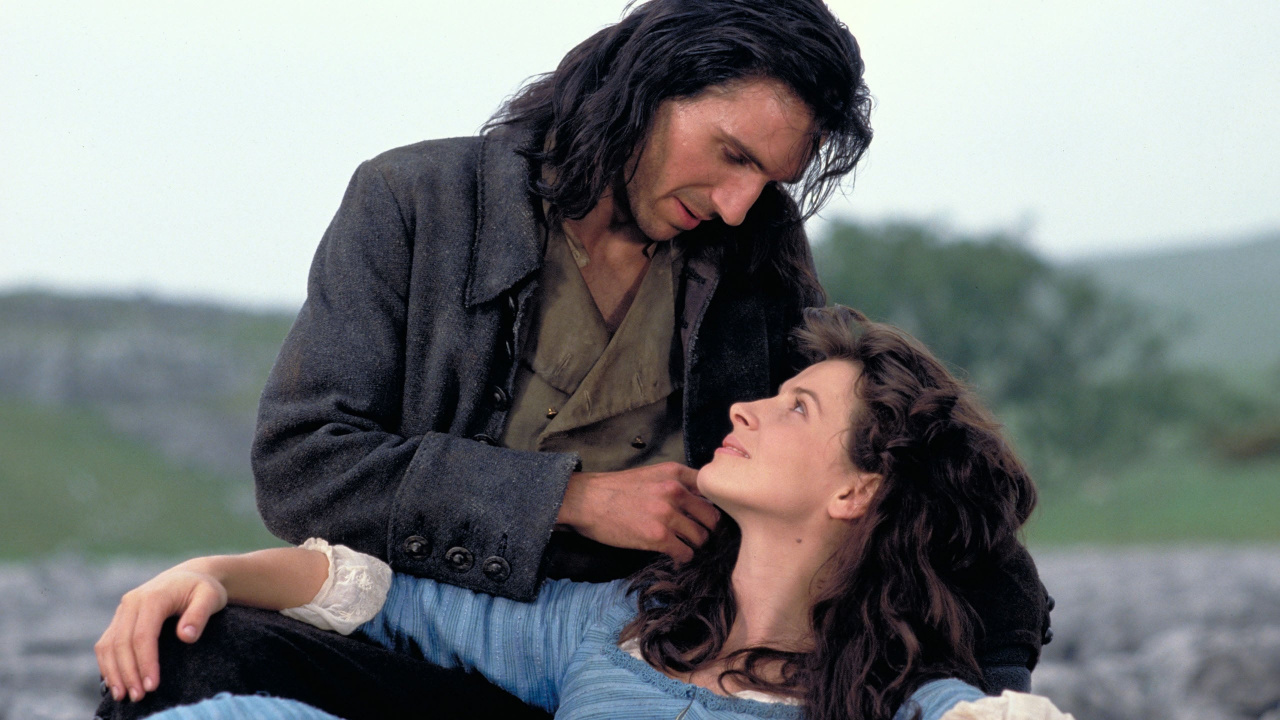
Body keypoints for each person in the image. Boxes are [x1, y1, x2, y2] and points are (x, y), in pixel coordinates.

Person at [96, 0, 1050, 717]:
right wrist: (570, 498)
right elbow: (304, 464)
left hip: (659, 656)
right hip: (438, 657)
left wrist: (987, 694)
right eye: (727, 153)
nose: (735, 203)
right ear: (644, 85)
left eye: (767, 177)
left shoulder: (754, 247)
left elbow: (895, 461)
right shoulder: (414, 202)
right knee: (183, 652)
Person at [95, 307, 1073, 720]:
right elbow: (368, 593)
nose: (745, 408)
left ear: (855, 489)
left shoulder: (886, 702)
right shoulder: (617, 625)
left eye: (796, 408)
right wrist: (210, 573)